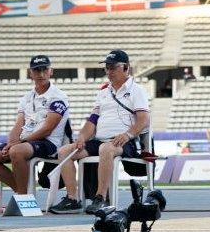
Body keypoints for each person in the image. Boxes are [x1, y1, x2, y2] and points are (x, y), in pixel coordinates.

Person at [48, 49, 150, 214]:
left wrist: (127, 135)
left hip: (125, 142)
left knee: (106, 148)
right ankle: (73, 199)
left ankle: (100, 197)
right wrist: (81, 136)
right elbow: (92, 121)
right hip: (100, 140)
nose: (109, 72)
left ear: (126, 68)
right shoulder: (103, 92)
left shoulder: (137, 90)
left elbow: (144, 119)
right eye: (107, 68)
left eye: (113, 67)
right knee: (65, 150)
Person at [0, 55, 69, 196]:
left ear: (51, 71)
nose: (41, 74)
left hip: (49, 143)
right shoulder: (26, 97)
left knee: (17, 151)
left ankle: (22, 195)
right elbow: (18, 125)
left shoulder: (58, 96)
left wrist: (19, 143)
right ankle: (23, 193)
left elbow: (47, 129)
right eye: (37, 71)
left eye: (45, 70)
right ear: (30, 73)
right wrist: (11, 142)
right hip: (25, 142)